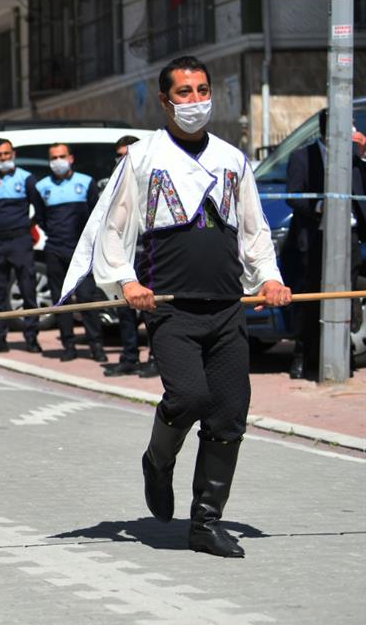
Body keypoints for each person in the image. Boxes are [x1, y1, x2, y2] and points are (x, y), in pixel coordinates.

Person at [64, 55, 291, 558]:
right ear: (165, 100)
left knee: (230, 414)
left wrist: (270, 279)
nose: (195, 101)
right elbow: (116, 228)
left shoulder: (233, 159)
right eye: (183, 93)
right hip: (172, 311)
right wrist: (125, 281)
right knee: (188, 398)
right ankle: (157, 462)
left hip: (227, 308)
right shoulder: (144, 158)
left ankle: (205, 522)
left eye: (202, 90)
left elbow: (253, 231)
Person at [283, 109, 366, 380]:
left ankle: (344, 356)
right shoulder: (302, 157)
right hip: (315, 238)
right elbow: (294, 196)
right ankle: (303, 355)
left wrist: (363, 153)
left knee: (347, 297)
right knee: (311, 298)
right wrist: (321, 206)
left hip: (349, 239)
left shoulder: (354, 158)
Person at [36, 142, 107, 364]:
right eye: (53, 157)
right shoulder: (42, 186)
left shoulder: (85, 183)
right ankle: (68, 345)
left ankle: (96, 344)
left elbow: (96, 215)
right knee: (61, 299)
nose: (57, 161)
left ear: (71, 158)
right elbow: (41, 218)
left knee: (86, 297)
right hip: (55, 249)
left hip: (81, 250)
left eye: (61, 156)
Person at [0, 138, 45, 354]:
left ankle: (32, 337)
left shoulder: (26, 178)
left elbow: (39, 208)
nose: (3, 158)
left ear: (13, 154)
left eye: (6, 154)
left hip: (21, 241)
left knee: (27, 290)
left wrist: (28, 225)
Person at [110, 135, 157, 377]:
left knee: (151, 310)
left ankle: (155, 358)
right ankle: (129, 356)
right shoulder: (111, 187)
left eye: (127, 155)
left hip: (148, 257)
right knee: (124, 311)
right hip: (124, 259)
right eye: (119, 155)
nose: (123, 160)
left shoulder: (150, 182)